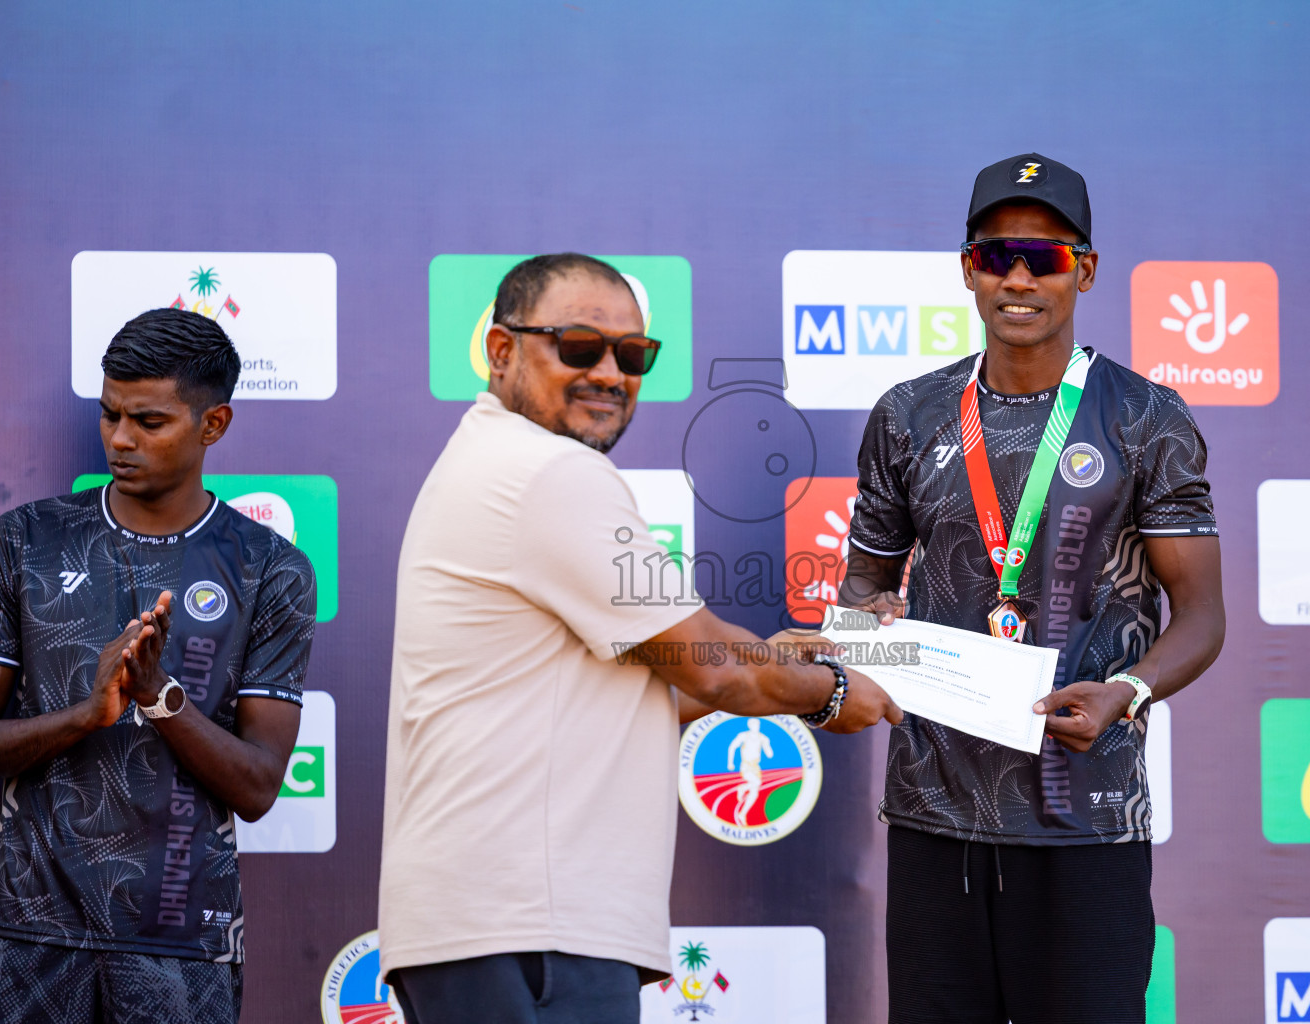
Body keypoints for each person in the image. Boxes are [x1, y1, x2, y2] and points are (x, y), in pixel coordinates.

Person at [378, 253, 901, 1024]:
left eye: (632, 355)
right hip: (529, 926)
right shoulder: (547, 472)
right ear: (500, 351)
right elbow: (714, 668)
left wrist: (778, 662)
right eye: (580, 347)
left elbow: (646, 685)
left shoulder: (495, 460)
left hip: (500, 926)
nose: (610, 373)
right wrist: (830, 696)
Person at [842, 153, 1225, 1023]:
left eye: (1045, 257)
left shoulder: (1145, 416)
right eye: (997, 254)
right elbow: (865, 581)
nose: (1019, 277)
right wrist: (873, 626)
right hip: (935, 814)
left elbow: (1202, 616)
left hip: (1085, 810)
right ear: (968, 268)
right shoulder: (908, 414)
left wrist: (1127, 691)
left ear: (1084, 270)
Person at [0, 308, 316, 1023]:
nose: (119, 438)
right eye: (110, 415)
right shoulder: (24, 541)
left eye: (148, 421)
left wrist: (158, 696)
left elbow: (260, 786)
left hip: (180, 941)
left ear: (213, 425)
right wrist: (85, 715)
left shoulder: (268, 569)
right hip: (24, 936)